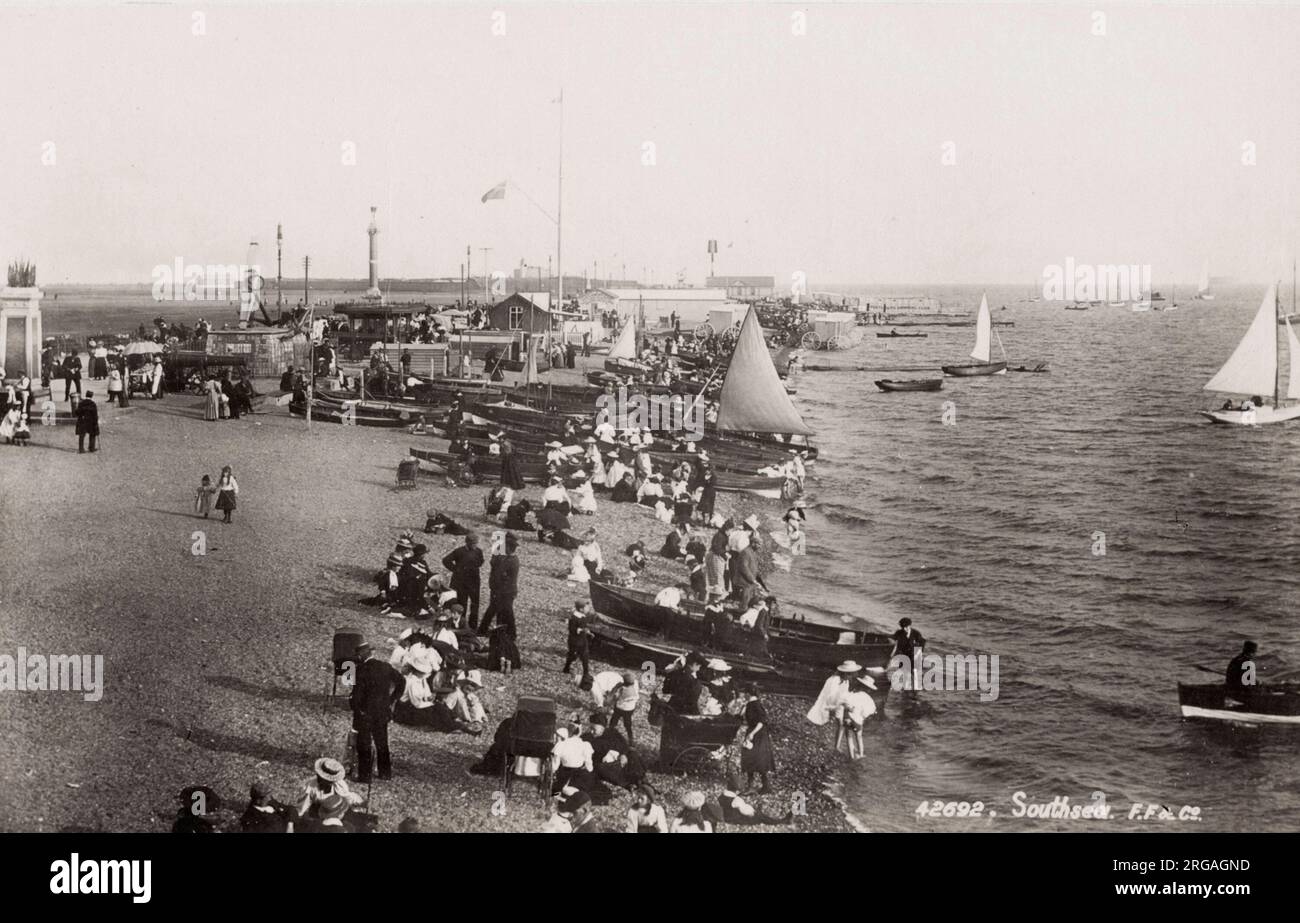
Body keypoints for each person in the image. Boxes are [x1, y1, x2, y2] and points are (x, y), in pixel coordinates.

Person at [350, 641, 402, 782]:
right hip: (382, 711)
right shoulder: (385, 666)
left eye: (358, 655)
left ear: (362, 655)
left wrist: (355, 708)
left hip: (365, 712)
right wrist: (392, 700)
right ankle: (385, 773)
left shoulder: (361, 669)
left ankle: (364, 775)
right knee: (382, 742)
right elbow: (402, 681)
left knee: (364, 743)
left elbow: (357, 694)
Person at [478, 532, 520, 639]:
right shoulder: (508, 558)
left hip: (504, 590)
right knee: (499, 610)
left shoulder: (510, 560)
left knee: (504, 611)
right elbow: (494, 563)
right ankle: (501, 631)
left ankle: (509, 633)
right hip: (502, 589)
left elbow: (498, 572)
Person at [297, 758, 365, 820]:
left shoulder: (339, 785)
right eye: (320, 777)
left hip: (336, 812)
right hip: (318, 813)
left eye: (330, 781)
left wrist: (359, 803)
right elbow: (302, 807)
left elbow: (347, 797)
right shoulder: (311, 786)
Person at [718, 771, 793, 826]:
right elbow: (747, 812)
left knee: (756, 811)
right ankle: (781, 821)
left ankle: (778, 820)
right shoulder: (737, 800)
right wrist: (754, 812)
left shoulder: (721, 796)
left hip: (726, 817)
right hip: (737, 820)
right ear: (737, 791)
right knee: (760, 816)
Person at [442, 533, 485, 630]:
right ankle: (462, 624)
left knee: (475, 603)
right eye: (473, 543)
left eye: (476, 543)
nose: (475, 545)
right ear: (467, 543)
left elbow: (481, 561)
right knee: (462, 603)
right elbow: (445, 560)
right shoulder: (459, 551)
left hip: (474, 580)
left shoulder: (478, 551)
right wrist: (455, 569)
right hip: (461, 581)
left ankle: (473, 626)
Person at [738, 686, 776, 793]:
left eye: (744, 693)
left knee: (752, 758)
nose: (743, 695)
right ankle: (764, 786)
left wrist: (752, 734)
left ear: (748, 694)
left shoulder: (755, 705)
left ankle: (753, 786)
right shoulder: (750, 704)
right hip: (756, 733)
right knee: (756, 759)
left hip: (757, 734)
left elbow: (761, 721)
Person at [563, 601, 594, 683]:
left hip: (582, 639)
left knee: (585, 655)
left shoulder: (583, 616)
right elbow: (571, 629)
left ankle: (586, 673)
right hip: (574, 640)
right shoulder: (574, 617)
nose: (588, 609)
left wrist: (588, 632)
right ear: (581, 609)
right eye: (587, 608)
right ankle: (566, 667)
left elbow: (584, 626)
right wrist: (580, 629)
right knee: (572, 655)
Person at [891, 617, 926, 690]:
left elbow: (922, 642)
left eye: (906, 627)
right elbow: (893, 638)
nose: (904, 629)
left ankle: (916, 688)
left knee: (915, 672)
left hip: (914, 655)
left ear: (910, 626)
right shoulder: (899, 632)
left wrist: (919, 652)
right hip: (903, 655)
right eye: (903, 627)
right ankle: (904, 686)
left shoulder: (916, 633)